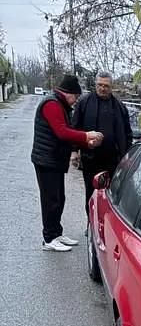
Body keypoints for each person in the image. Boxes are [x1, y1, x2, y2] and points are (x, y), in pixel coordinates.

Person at [31, 75, 103, 253]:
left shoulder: (60, 104)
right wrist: (87, 136)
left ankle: (56, 233)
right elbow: (62, 132)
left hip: (53, 160)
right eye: (76, 97)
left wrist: (85, 143)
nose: (76, 101)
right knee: (51, 200)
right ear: (69, 93)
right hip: (46, 160)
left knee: (59, 198)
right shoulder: (52, 105)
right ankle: (49, 238)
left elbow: (68, 132)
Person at [72, 71, 133, 217]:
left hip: (114, 160)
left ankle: (108, 223)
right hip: (90, 158)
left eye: (106, 86)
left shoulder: (119, 106)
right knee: (91, 193)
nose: (102, 88)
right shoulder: (84, 103)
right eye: (100, 85)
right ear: (95, 84)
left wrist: (127, 155)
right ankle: (91, 222)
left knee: (113, 195)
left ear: (111, 86)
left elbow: (127, 133)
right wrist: (74, 151)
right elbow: (74, 128)